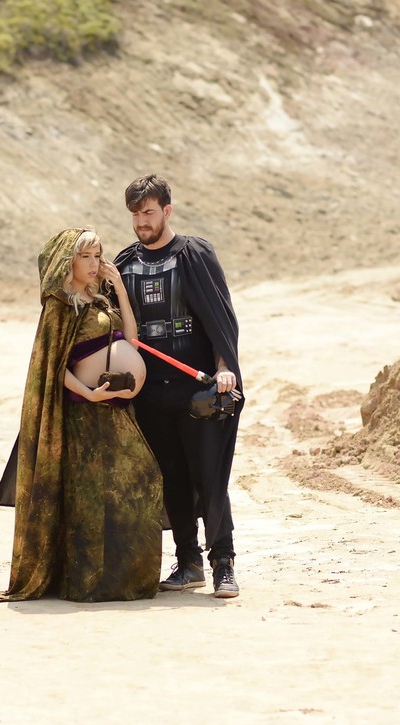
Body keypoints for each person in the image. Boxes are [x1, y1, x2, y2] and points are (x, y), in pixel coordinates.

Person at [0, 228, 163, 602]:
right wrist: (89, 393)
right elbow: (51, 366)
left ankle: (125, 577)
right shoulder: (59, 305)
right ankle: (88, 581)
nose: (94, 264)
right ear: (69, 261)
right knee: (90, 497)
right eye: (86, 257)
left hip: (115, 412)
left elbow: (131, 340)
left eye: (98, 256)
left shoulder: (101, 299)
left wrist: (119, 289)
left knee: (141, 480)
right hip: (84, 415)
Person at [113, 175, 244, 599]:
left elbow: (221, 319)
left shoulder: (194, 254)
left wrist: (225, 368)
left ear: (167, 211)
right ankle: (188, 563)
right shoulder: (124, 263)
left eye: (149, 212)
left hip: (197, 390)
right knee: (170, 478)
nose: (142, 222)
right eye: (135, 214)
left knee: (210, 478)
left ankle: (223, 564)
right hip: (151, 393)